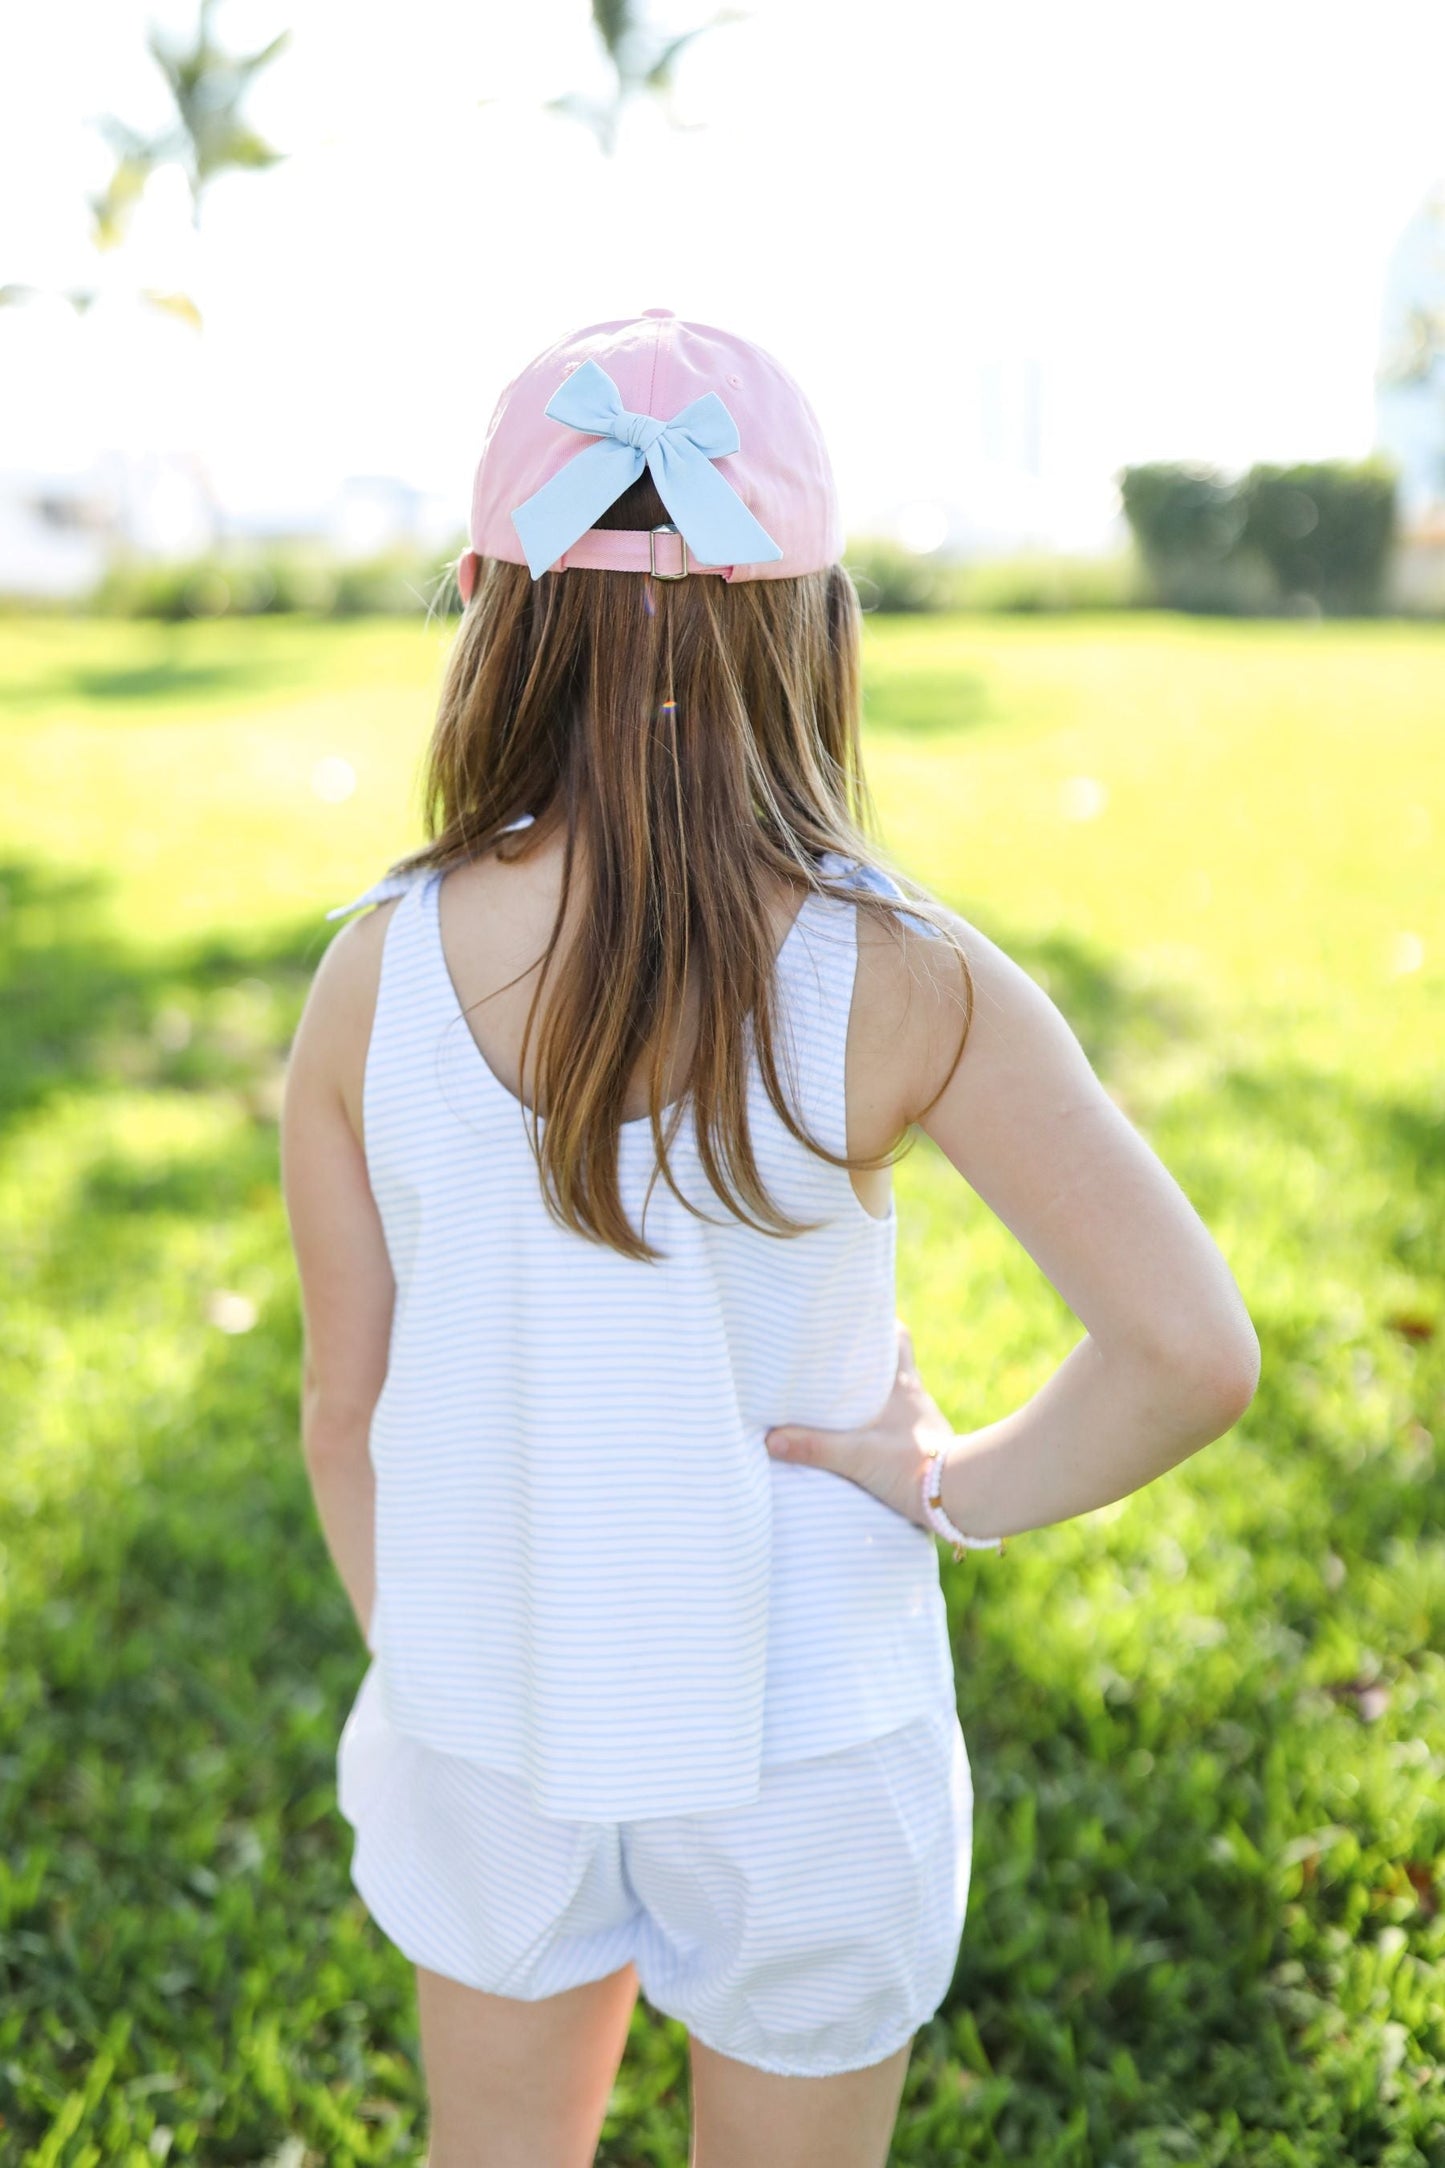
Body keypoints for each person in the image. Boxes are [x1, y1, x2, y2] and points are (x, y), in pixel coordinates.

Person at [279, 307, 1261, 2168]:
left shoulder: (366, 979)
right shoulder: (905, 978)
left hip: (487, 1716)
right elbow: (1188, 1355)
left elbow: (350, 1411)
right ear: (816, 619)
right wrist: (954, 1484)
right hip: (809, 1736)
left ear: (489, 597)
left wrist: (450, 1665)